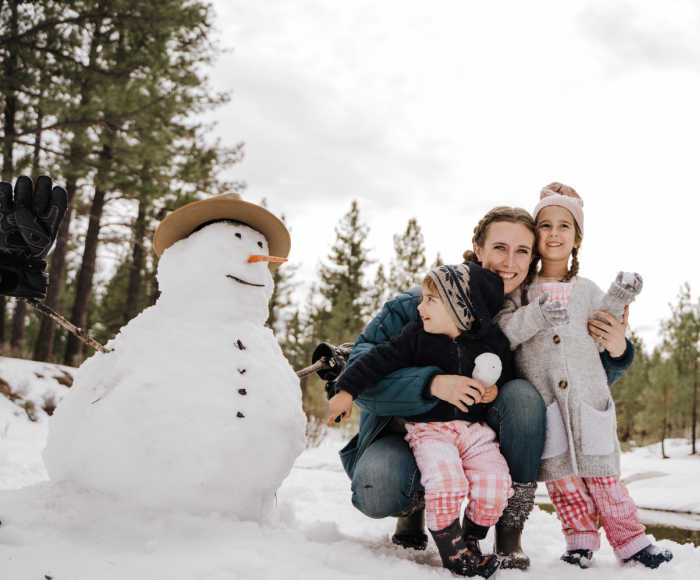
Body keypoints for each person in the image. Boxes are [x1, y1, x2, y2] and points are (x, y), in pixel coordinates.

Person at [335, 205, 635, 571]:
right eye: (499, 247)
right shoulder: (421, 304)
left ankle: (509, 532)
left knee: (524, 398)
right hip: (409, 433)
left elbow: (575, 382)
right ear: (477, 248)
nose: (510, 261)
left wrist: (617, 351)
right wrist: (431, 383)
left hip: (480, 436)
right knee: (378, 485)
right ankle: (412, 508)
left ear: (533, 258)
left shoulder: (534, 310)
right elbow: (360, 370)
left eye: (522, 251)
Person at [495, 182, 673, 569]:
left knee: (604, 475)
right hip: (546, 404)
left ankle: (631, 541)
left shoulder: (588, 289)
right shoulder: (521, 292)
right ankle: (579, 541)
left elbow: (607, 328)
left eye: (565, 226)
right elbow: (505, 333)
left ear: (578, 238)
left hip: (589, 400)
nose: (555, 234)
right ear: (534, 233)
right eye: (546, 225)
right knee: (563, 480)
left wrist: (621, 297)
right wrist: (538, 314)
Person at [329, 263, 512, 577]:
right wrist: (345, 390)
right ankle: (452, 549)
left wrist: (493, 392)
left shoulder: (490, 341)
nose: (420, 306)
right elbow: (376, 360)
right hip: (431, 431)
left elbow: (506, 371)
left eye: (430, 299)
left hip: (473, 432)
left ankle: (471, 537)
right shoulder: (415, 337)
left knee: (495, 482)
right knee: (446, 482)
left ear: (461, 307)